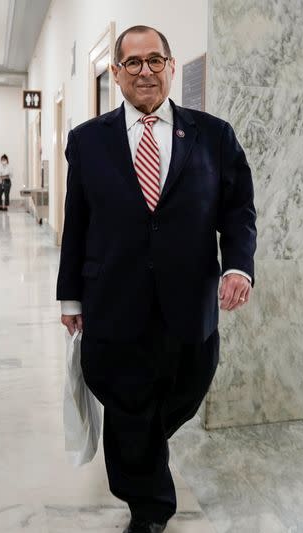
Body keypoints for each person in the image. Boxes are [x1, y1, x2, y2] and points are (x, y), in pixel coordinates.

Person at [56, 25, 257, 533]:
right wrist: (69, 296)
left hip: (189, 299)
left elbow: (238, 211)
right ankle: (148, 506)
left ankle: (141, 446)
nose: (145, 71)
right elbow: (76, 222)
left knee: (185, 389)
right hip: (113, 297)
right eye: (133, 63)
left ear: (170, 65)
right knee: (124, 397)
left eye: (154, 60)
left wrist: (237, 265)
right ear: (118, 74)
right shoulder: (87, 141)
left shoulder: (214, 135)